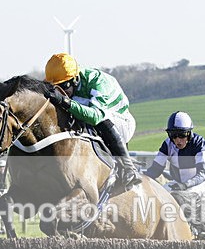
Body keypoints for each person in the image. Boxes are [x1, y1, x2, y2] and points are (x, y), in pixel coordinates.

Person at [43, 53, 141, 189]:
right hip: (91, 118)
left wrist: (65, 102)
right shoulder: (63, 81)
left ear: (75, 79)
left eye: (64, 86)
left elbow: (96, 116)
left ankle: (129, 168)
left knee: (100, 118)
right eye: (56, 87)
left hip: (120, 122)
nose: (61, 91)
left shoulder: (99, 82)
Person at [144, 111, 205, 215]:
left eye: (182, 135)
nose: (178, 140)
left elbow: (203, 173)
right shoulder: (167, 144)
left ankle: (192, 228)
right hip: (178, 184)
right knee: (157, 197)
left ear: (189, 133)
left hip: (200, 184)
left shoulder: (199, 143)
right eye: (173, 135)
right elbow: (155, 170)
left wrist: (185, 185)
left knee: (183, 197)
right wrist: (139, 177)